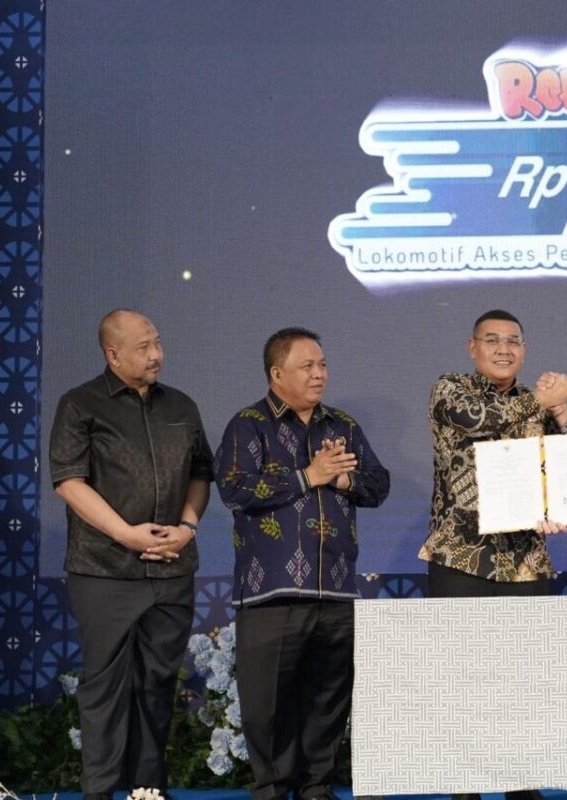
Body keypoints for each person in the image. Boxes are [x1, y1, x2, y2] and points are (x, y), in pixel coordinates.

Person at [215, 327, 390, 800]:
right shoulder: (249, 424)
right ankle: (273, 790)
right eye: (307, 366)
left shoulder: (342, 426)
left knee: (328, 698)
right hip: (272, 592)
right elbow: (234, 488)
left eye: (322, 365)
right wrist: (308, 476)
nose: (319, 374)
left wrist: (343, 480)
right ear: (277, 374)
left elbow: (378, 484)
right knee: (267, 704)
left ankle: (316, 788)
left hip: (336, 587)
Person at [49, 309, 213, 800]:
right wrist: (127, 535)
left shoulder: (181, 405)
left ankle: (148, 790)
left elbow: (201, 473)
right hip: (104, 570)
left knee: (159, 684)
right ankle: (99, 792)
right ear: (113, 354)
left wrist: (187, 528)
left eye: (157, 343)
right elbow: (69, 482)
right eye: (144, 347)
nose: (156, 355)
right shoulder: (80, 404)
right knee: (105, 687)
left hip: (171, 568)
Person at [418, 308, 567, 800]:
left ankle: (520, 784)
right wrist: (542, 400)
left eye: (513, 341)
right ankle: (465, 788)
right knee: (463, 680)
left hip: (526, 562)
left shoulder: (539, 404)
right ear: (473, 348)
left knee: (523, 684)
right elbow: (480, 419)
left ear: (523, 350)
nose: (504, 349)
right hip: (461, 558)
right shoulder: (451, 390)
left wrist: (562, 413)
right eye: (492, 340)